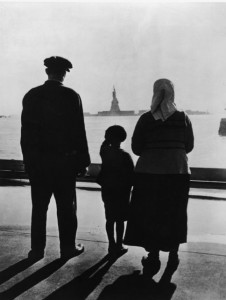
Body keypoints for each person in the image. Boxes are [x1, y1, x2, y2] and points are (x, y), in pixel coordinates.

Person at [21, 56, 90, 260]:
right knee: (66, 208)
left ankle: (36, 250)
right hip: (64, 163)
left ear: (46, 72)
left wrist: (28, 160)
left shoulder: (31, 95)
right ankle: (67, 247)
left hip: (39, 163)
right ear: (63, 74)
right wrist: (83, 161)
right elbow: (79, 131)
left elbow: (26, 133)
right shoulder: (71, 96)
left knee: (39, 208)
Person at [124, 78, 194, 280]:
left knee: (151, 214)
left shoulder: (146, 119)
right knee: (175, 212)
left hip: (149, 174)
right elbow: (188, 146)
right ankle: (173, 254)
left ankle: (153, 255)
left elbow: (136, 148)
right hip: (178, 172)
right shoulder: (183, 118)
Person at [97, 125, 134, 255]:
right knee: (120, 220)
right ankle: (119, 244)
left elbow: (103, 146)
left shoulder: (105, 153)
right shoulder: (125, 156)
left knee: (109, 219)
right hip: (122, 193)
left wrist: (107, 139)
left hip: (108, 191)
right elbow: (132, 176)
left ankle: (111, 244)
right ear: (123, 139)